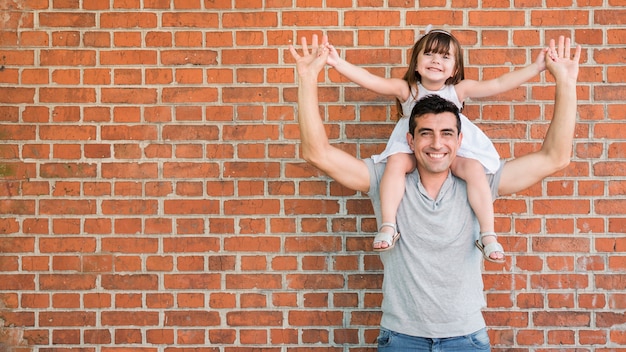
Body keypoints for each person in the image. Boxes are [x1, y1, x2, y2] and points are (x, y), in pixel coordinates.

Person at [289, 34, 580, 351]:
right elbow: (317, 152)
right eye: (426, 133)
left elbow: (555, 157)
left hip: (466, 338)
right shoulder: (387, 178)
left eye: (446, 134)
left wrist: (564, 81)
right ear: (410, 140)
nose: (437, 144)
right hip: (401, 339)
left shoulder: (477, 181)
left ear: (460, 140)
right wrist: (307, 77)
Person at [325, 27, 550, 263]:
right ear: (415, 63)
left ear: (454, 69)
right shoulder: (408, 90)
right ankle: (389, 225)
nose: (436, 61)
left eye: (445, 57)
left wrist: (536, 67)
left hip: (451, 152)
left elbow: (498, 83)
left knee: (473, 169)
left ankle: (488, 234)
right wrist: (337, 63)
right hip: (414, 149)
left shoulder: (458, 90)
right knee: (396, 161)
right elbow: (371, 80)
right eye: (429, 54)